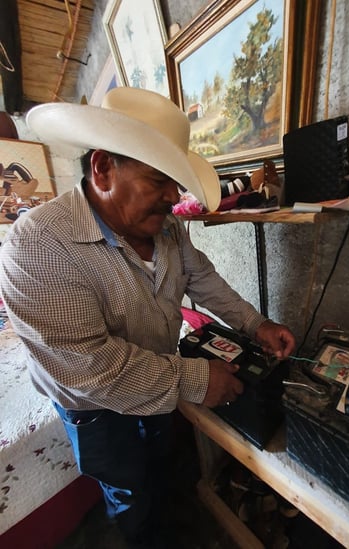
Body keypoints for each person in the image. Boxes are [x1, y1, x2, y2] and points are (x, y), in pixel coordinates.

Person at [0, 87, 295, 548]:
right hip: (94, 407)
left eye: (175, 183)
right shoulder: (36, 245)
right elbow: (90, 369)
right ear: (102, 168)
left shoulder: (168, 227)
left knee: (162, 461)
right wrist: (199, 381)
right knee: (128, 489)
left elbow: (202, 278)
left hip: (160, 373)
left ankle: (171, 515)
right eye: (160, 180)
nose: (172, 198)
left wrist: (257, 324)